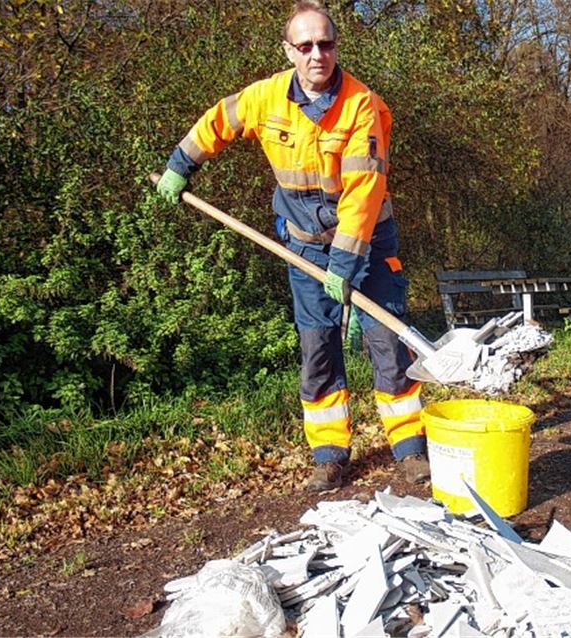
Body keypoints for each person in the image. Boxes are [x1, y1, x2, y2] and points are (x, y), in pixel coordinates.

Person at [155, 1, 428, 492]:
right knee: (318, 344)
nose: (316, 54)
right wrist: (181, 164)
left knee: (387, 338)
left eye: (325, 43)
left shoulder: (362, 106)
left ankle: (410, 449)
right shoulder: (265, 98)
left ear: (336, 47)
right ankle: (329, 455)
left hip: (365, 241)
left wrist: (345, 262)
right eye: (305, 46)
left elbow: (363, 195)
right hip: (302, 246)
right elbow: (219, 120)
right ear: (289, 51)